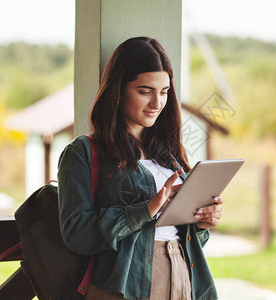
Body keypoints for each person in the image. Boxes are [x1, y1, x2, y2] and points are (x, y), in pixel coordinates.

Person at [57, 36, 223, 300]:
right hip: (124, 286)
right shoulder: (84, 152)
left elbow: (184, 239)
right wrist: (145, 210)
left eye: (164, 92)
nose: (157, 103)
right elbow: (76, 234)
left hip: (182, 278)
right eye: (145, 91)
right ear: (118, 89)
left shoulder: (170, 155)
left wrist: (202, 224)